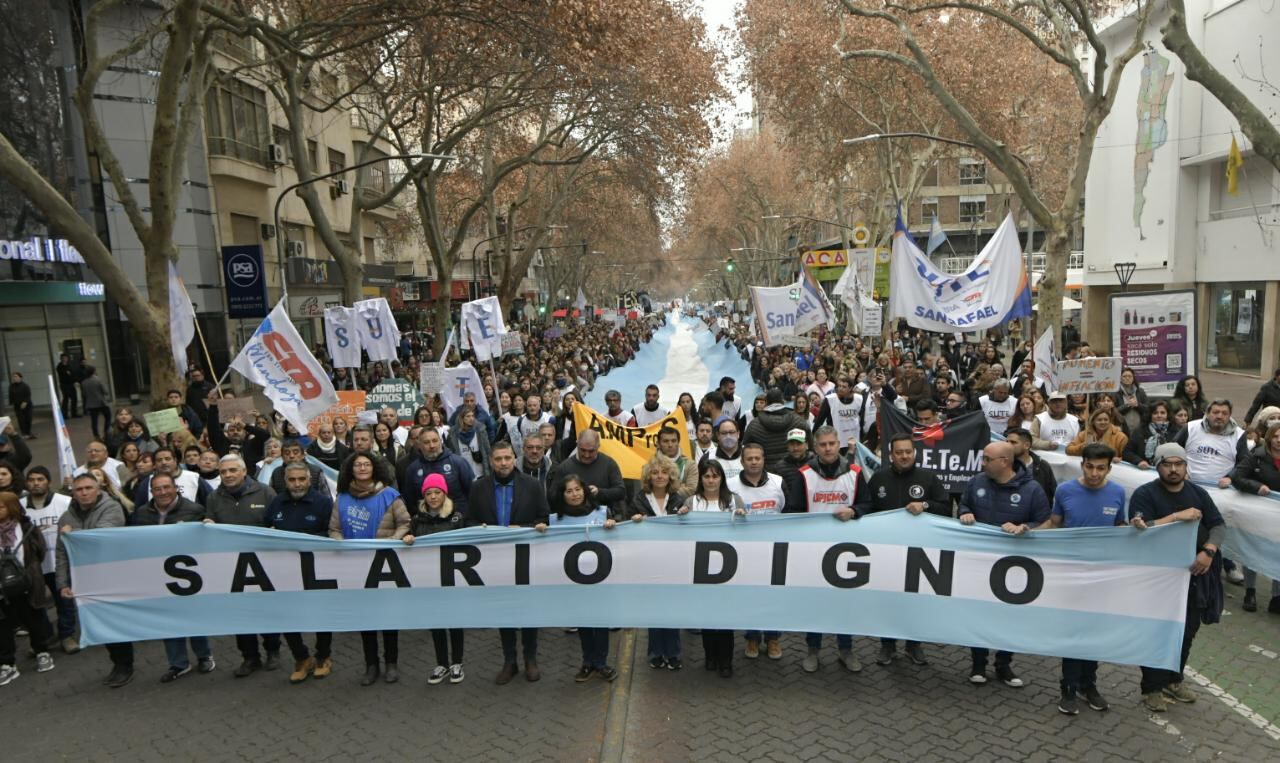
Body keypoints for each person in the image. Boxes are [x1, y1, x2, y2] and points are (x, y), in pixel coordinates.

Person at [1129, 443, 1226, 711]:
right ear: (1158, 466)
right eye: (1167, 464)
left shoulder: (1198, 493)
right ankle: (1152, 688)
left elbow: (1218, 524)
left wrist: (1208, 550)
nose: (1173, 470)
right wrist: (1175, 517)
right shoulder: (1144, 494)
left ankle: (1174, 679)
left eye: (1178, 464)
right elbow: (1139, 530)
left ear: (1186, 466)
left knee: (1187, 631)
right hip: (1159, 577)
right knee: (1158, 630)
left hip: (1194, 575)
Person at [1037, 443, 1127, 714]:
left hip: (1102, 577)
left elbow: (1119, 529)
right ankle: (1068, 687)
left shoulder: (1118, 493)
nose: (1095, 473)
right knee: (1075, 632)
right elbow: (1054, 524)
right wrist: (1027, 534)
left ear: (1109, 468)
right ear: (1082, 464)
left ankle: (1089, 685)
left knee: (1095, 632)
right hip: (1072, 575)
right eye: (1090, 466)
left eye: (1101, 468)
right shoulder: (1065, 491)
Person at [958, 441, 1050, 688]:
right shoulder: (976, 482)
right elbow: (964, 504)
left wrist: (1026, 528)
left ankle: (1004, 664)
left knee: (1009, 616)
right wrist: (964, 513)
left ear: (1005, 462)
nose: (983, 463)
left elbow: (1046, 522)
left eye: (988, 459)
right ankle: (978, 664)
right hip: (980, 562)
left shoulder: (1032, 490)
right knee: (979, 613)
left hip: (1014, 566)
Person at [787, 426, 870, 674]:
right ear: (815, 447)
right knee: (815, 603)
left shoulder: (855, 473)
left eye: (832, 444)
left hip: (846, 551)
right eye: (822, 445)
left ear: (838, 444)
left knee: (845, 603)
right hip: (814, 551)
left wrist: (855, 511)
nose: (828, 448)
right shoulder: (803, 474)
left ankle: (846, 649)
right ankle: (813, 649)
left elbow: (869, 503)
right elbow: (792, 510)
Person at [466, 441, 551, 684]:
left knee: (527, 610)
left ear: (514, 458)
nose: (503, 463)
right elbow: (469, 521)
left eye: (507, 458)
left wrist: (522, 528)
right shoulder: (479, 488)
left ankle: (531, 659)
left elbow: (543, 518)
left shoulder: (532, 486)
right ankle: (509, 661)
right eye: (498, 459)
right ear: (491, 462)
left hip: (525, 557)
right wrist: (481, 529)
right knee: (504, 610)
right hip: (494, 559)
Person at [864, 433, 950, 667]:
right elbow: (868, 508)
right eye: (899, 452)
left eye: (908, 452)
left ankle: (914, 646)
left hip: (920, 554)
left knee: (916, 602)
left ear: (915, 453)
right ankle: (887, 646)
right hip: (887, 553)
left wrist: (925, 505)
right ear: (891, 455)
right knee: (889, 600)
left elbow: (945, 508)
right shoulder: (878, 479)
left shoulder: (929, 478)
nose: (904, 456)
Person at [331, 453, 409, 686]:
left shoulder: (389, 496)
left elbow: (404, 523)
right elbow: (333, 529)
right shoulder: (342, 499)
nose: (363, 468)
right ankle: (371, 665)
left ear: (375, 468)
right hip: (355, 567)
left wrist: (391, 541)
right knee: (365, 618)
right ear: (350, 470)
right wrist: (340, 543)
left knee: (387, 617)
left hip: (384, 565)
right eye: (358, 464)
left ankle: (391, 663)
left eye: (367, 464)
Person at [131, 472, 215, 682]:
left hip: (189, 574)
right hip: (158, 574)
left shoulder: (193, 510)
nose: (163, 492)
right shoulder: (142, 513)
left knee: (193, 617)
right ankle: (178, 663)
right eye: (157, 489)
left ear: (175, 487)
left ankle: (204, 656)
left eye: (166, 487)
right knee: (167, 619)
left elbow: (204, 542)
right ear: (151, 492)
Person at [204, 454, 279, 677]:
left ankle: (273, 650)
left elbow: (277, 520)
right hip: (231, 564)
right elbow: (210, 520)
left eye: (232, 470)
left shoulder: (265, 492)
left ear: (244, 471)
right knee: (240, 613)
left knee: (267, 610)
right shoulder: (214, 497)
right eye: (223, 472)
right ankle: (249, 657)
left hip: (262, 563)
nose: (227, 475)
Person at [56, 474, 129, 687]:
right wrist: (62, 583)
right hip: (87, 580)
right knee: (101, 623)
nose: (84, 492)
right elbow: (61, 553)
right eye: (79, 489)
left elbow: (103, 537)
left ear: (98, 489)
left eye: (89, 488)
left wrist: (74, 534)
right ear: (73, 493)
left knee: (116, 623)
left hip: (113, 576)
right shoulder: (66, 517)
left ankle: (125, 664)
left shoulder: (112, 508)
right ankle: (116, 663)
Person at [545, 474, 620, 682]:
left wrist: (614, 525)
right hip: (574, 582)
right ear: (562, 495)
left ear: (584, 490)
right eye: (569, 491)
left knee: (601, 621)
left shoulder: (602, 512)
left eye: (577, 489)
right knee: (584, 622)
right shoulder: (556, 520)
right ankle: (588, 662)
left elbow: (618, 539)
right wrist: (541, 530)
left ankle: (601, 663)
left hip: (601, 580)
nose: (574, 494)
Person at [265, 463, 335, 684]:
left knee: (321, 615)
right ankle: (301, 658)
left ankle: (323, 656)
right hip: (284, 571)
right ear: (285, 481)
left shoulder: (323, 503)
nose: (297, 484)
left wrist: (304, 538)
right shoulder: (276, 502)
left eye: (301, 479)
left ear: (309, 480)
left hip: (316, 569)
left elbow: (332, 532)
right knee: (287, 615)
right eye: (292, 480)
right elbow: (264, 530)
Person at [679, 459, 745, 677]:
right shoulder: (692, 501)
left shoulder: (734, 500)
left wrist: (745, 519)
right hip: (702, 569)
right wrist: (681, 517)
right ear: (701, 478)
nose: (711, 480)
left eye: (715, 476)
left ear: (721, 478)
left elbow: (747, 535)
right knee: (706, 615)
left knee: (725, 617)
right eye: (706, 476)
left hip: (728, 570)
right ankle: (710, 655)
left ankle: (726, 660)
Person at [403, 473, 465, 685]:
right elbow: (411, 543)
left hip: (452, 576)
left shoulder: (457, 518)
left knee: (455, 621)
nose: (433, 497)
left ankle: (457, 662)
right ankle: (442, 663)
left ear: (444, 494)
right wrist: (409, 539)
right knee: (436, 621)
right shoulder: (418, 520)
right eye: (429, 493)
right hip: (429, 578)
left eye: (437, 492)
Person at [628, 454, 685, 669]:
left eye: (664, 472)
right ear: (648, 477)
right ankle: (655, 653)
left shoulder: (679, 500)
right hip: (648, 563)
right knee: (653, 609)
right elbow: (629, 527)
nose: (660, 476)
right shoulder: (639, 500)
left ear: (671, 476)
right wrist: (634, 522)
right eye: (655, 472)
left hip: (673, 563)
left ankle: (673, 653)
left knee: (671, 609)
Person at [0, 491, 56, 685]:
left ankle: (42, 651)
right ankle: (7, 663)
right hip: (2, 589)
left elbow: (39, 552)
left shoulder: (26, 527)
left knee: (34, 618)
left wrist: (28, 573)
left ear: (12, 508)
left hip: (28, 584)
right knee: (3, 625)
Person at [21, 467, 76, 652]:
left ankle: (66, 635)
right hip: (32, 566)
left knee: (64, 601)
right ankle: (45, 636)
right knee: (36, 605)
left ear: (48, 482)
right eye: (32, 480)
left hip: (59, 562)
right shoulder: (19, 506)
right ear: (26, 483)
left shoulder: (65, 502)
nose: (36, 483)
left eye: (40, 479)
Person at [1230, 421, 1280, 613]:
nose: (1279, 440)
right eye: (1275, 436)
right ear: (1268, 438)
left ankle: (1277, 597)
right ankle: (1250, 591)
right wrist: (1256, 487)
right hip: (1257, 515)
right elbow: (1237, 476)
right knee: (1253, 551)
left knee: (1278, 553)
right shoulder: (1257, 456)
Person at [549, 430, 626, 517]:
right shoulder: (564, 467)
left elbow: (621, 492)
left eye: (591, 451)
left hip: (603, 521)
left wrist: (599, 493)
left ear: (598, 447)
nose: (586, 455)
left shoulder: (609, 464)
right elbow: (552, 496)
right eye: (583, 450)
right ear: (577, 444)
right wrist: (569, 495)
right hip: (572, 520)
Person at [743, 388, 809, 464]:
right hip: (794, 469)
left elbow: (746, 449)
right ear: (782, 401)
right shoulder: (798, 420)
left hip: (766, 470)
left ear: (766, 402)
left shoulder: (754, 425)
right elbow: (810, 445)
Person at [813, 376, 865, 453]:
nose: (840, 388)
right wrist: (813, 434)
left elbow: (862, 420)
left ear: (850, 388)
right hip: (836, 439)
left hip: (854, 438)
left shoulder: (859, 399)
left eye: (844, 387)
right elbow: (820, 419)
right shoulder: (830, 399)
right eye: (839, 386)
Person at [1004, 428, 1057, 502]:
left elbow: (1051, 492)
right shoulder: (1003, 465)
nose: (1008, 445)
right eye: (1007, 442)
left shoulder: (1042, 466)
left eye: (1013, 442)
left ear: (1027, 445)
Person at [1124, 400, 1180, 469]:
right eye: (1155, 413)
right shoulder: (1140, 431)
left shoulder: (1176, 432)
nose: (1159, 416)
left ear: (1167, 415)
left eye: (1162, 413)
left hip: (1170, 471)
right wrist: (1139, 461)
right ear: (1150, 415)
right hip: (1145, 472)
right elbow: (1127, 452)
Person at [446, 407, 492, 478]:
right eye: (468, 416)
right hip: (464, 474)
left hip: (481, 472)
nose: (471, 418)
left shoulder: (480, 430)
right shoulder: (453, 434)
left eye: (472, 416)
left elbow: (487, 450)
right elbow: (451, 454)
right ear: (462, 418)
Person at [655, 425, 698, 495]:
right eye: (665, 441)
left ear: (678, 443)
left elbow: (691, 490)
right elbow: (650, 490)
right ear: (658, 444)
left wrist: (663, 491)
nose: (670, 445)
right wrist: (680, 486)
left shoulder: (690, 465)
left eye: (674, 441)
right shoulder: (651, 465)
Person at [8, 372, 33, 438]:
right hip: (17, 406)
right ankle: (24, 433)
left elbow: (28, 394)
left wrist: (25, 402)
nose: (14, 378)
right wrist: (11, 403)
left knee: (28, 419)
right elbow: (11, 395)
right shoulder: (11, 386)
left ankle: (28, 432)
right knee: (20, 419)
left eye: (16, 376)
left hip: (27, 405)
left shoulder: (25, 386)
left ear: (20, 377)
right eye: (13, 377)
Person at [55, 353, 79, 419]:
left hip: (71, 384)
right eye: (63, 358)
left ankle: (74, 413)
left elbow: (72, 374)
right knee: (66, 399)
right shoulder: (59, 366)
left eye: (66, 358)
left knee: (74, 398)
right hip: (64, 385)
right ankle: (64, 415)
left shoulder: (69, 365)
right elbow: (64, 374)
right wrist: (68, 373)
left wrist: (74, 380)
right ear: (61, 359)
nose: (65, 359)